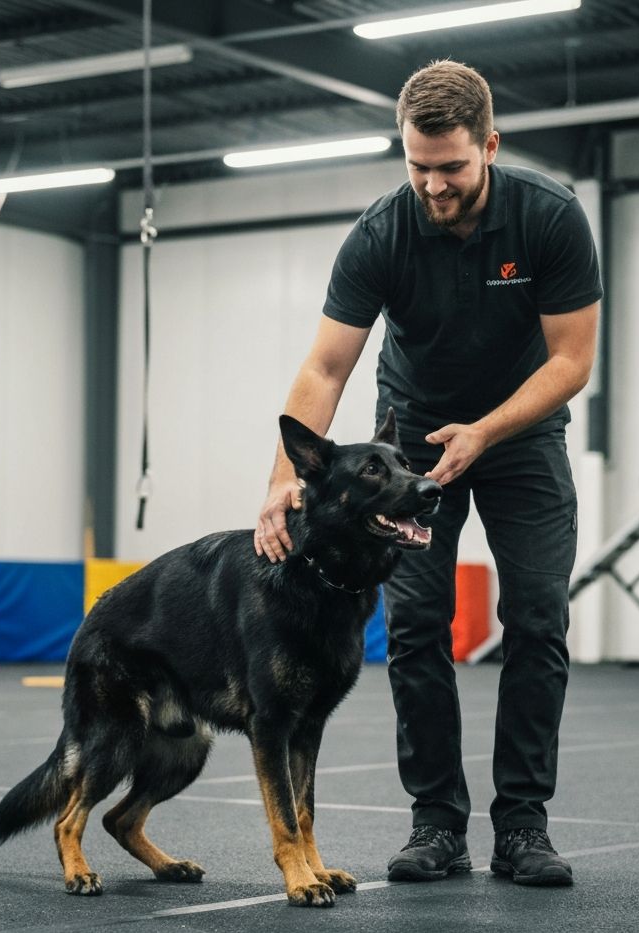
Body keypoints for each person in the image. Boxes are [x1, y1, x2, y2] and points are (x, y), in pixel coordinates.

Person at [255, 59, 601, 887]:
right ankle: (436, 824)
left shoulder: (549, 217)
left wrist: (484, 430)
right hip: (407, 456)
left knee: (538, 620)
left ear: (490, 144)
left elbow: (572, 360)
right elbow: (326, 369)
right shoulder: (381, 233)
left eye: (451, 167)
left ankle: (522, 826)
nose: (435, 185)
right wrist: (280, 480)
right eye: (417, 167)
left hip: (518, 439)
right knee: (415, 629)